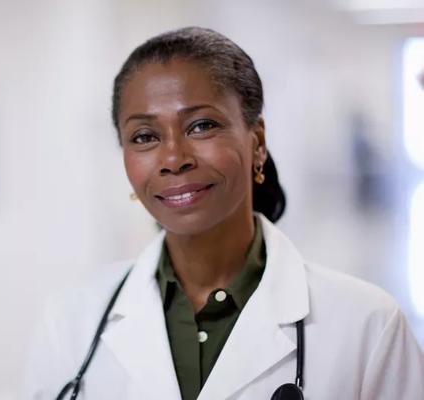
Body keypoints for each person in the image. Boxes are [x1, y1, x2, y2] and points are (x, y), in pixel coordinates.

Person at [22, 27, 424, 400]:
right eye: (144, 136)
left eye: (201, 126)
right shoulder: (71, 322)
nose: (174, 158)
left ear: (258, 142)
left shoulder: (367, 325)